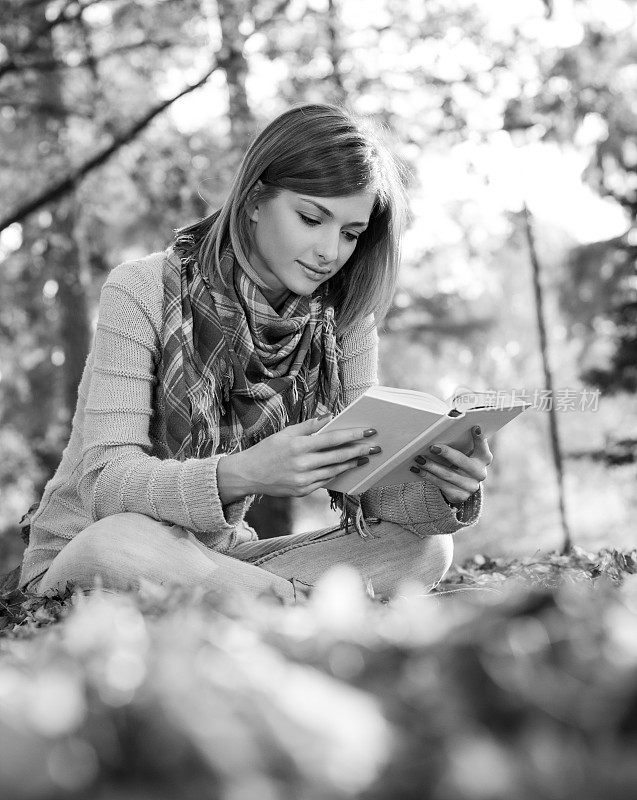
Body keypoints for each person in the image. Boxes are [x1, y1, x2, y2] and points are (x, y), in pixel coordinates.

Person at [19, 103, 491, 604]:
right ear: (254, 200)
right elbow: (106, 484)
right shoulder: (140, 290)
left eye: (351, 233)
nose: (330, 251)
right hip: (92, 545)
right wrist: (245, 472)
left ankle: (263, 600)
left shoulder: (342, 321)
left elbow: (369, 487)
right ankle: (298, 606)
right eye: (312, 218)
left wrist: (445, 490)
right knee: (120, 547)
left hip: (219, 561)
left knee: (425, 550)